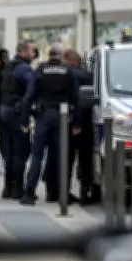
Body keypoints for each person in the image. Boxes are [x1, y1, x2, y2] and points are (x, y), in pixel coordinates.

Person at [20, 44, 81, 206]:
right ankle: (63, 194)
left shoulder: (40, 70)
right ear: (60, 56)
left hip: (43, 118)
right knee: (62, 157)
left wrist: (24, 120)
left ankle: (29, 194)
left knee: (37, 156)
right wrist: (77, 123)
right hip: (62, 118)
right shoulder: (68, 71)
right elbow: (77, 98)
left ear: (49, 55)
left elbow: (28, 97)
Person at [0, 41, 35, 200]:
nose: (33, 54)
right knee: (20, 152)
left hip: (4, 111)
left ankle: (7, 188)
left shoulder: (8, 67)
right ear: (23, 52)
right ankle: (18, 189)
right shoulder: (23, 68)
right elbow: (33, 88)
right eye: (32, 51)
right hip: (16, 112)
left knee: (9, 152)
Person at [64, 48, 95, 205]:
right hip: (87, 122)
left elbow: (75, 100)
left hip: (70, 122)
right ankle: (85, 191)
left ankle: (65, 192)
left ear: (69, 61)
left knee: (67, 159)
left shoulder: (68, 75)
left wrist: (76, 122)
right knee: (85, 159)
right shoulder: (88, 75)